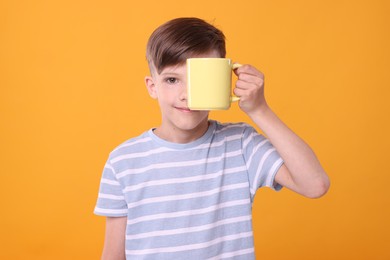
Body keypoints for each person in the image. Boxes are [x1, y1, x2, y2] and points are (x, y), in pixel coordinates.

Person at [94, 17, 330, 260]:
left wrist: (259, 110)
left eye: (200, 79)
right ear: (152, 86)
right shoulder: (122, 162)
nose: (186, 95)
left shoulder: (240, 145)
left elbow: (315, 185)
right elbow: (113, 255)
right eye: (172, 80)